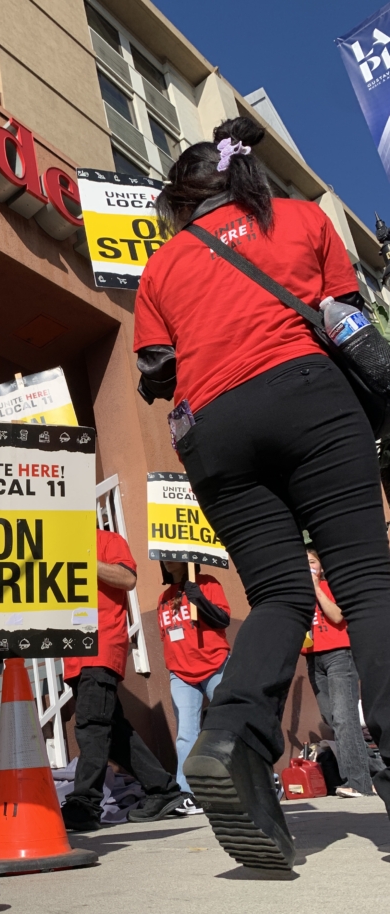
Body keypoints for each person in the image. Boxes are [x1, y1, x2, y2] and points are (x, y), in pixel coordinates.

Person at [134, 114, 390, 871]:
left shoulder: (160, 268)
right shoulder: (305, 219)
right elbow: (345, 317)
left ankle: (231, 738)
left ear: (182, 204)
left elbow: (157, 368)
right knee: (368, 584)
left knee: (280, 595)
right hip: (308, 395)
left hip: (214, 430)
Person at [61, 527, 183, 832]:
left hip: (100, 647)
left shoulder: (105, 539)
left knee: (91, 727)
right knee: (114, 734)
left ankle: (85, 805)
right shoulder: (54, 542)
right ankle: (163, 789)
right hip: (74, 653)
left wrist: (82, 558)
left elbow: (127, 578)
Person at [157, 561, 231, 814]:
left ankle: (243, 782)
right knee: (186, 734)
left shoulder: (208, 583)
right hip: (181, 673)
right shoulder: (164, 597)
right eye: (164, 555)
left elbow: (223, 621)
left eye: (174, 554)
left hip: (215, 665)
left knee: (229, 726)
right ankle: (187, 793)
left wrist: (199, 600)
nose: (169, 559)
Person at [303, 548, 374, 798]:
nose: (307, 565)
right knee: (332, 718)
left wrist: (316, 587)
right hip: (313, 658)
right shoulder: (298, 593)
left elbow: (336, 615)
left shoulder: (330, 586)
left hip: (339, 654)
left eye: (312, 561)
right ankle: (371, 772)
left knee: (345, 719)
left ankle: (358, 783)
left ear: (320, 567)